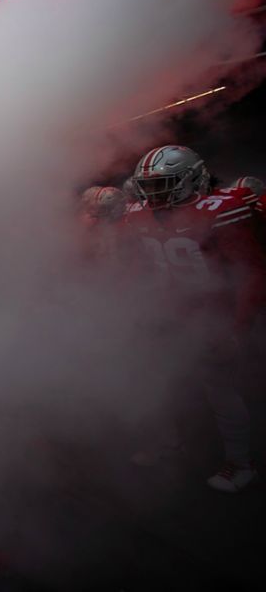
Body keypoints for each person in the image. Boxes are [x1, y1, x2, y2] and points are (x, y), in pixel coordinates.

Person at [126, 145, 263, 492]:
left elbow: (253, 272)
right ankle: (170, 443)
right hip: (169, 313)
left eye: (163, 185)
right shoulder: (137, 215)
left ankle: (241, 463)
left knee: (220, 390)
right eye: (149, 187)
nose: (153, 195)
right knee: (159, 382)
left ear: (191, 179)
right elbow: (142, 268)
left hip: (212, 314)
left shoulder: (219, 209)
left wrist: (236, 326)